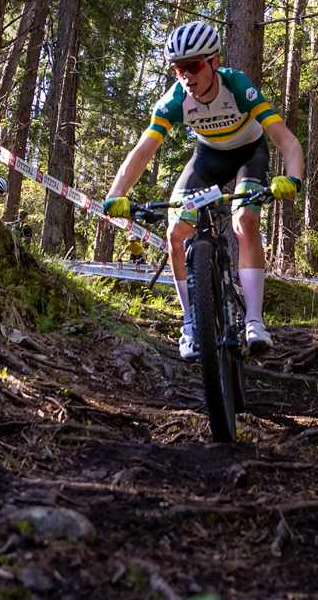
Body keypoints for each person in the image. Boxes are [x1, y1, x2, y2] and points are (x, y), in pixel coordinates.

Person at [102, 20, 304, 360]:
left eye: (193, 66)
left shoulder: (237, 86)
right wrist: (115, 194)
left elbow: (286, 139)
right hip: (207, 159)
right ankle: (190, 323)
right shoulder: (175, 99)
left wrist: (293, 179)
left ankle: (255, 321)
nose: (186, 76)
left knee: (245, 220)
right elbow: (143, 150)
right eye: (178, 69)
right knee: (176, 232)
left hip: (249, 155)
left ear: (214, 61)